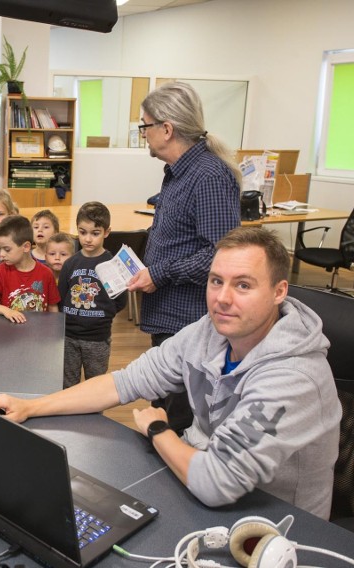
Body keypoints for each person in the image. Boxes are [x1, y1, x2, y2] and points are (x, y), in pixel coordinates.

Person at [0, 227, 342, 519]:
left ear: (279, 292)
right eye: (216, 281)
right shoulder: (209, 331)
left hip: (275, 525)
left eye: (243, 285)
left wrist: (158, 429)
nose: (223, 298)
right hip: (204, 486)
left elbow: (217, 482)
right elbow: (124, 382)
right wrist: (30, 407)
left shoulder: (293, 377)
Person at [127, 81, 241, 431]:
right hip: (170, 318)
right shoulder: (178, 173)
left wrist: (159, 273)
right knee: (163, 411)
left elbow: (222, 254)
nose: (143, 133)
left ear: (167, 128)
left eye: (145, 125)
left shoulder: (208, 176)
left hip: (190, 323)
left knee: (178, 421)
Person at [58, 202, 127, 389]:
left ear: (106, 232)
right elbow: (61, 297)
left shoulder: (113, 265)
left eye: (95, 233)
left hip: (98, 338)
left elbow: (120, 300)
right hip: (69, 337)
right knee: (68, 385)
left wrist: (103, 315)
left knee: (95, 387)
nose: (88, 239)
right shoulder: (70, 264)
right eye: (82, 232)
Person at [0, 215, 60, 323]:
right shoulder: (0, 271)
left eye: (7, 249)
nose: (1, 254)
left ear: (26, 247)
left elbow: (53, 307)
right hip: (11, 334)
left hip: (39, 334)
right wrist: (6, 311)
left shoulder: (46, 273)